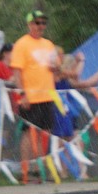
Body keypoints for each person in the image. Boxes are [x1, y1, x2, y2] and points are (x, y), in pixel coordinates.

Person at [10, 9, 60, 184]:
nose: (41, 26)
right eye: (37, 23)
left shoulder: (48, 44)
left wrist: (55, 68)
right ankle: (26, 169)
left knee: (45, 133)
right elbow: (17, 71)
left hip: (47, 95)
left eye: (43, 23)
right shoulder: (22, 44)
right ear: (30, 24)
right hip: (30, 96)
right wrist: (22, 93)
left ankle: (39, 169)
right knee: (28, 132)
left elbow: (56, 69)